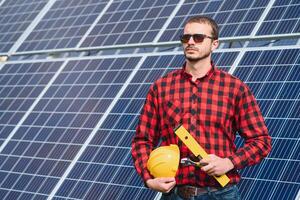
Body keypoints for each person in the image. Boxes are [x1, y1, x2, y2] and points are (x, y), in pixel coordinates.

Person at [131, 15, 272, 200]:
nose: (190, 42)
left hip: (221, 194)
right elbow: (142, 140)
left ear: (214, 44)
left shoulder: (234, 88)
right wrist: (149, 179)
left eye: (198, 37)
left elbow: (261, 141)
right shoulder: (161, 87)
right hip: (176, 195)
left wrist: (229, 163)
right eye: (185, 37)